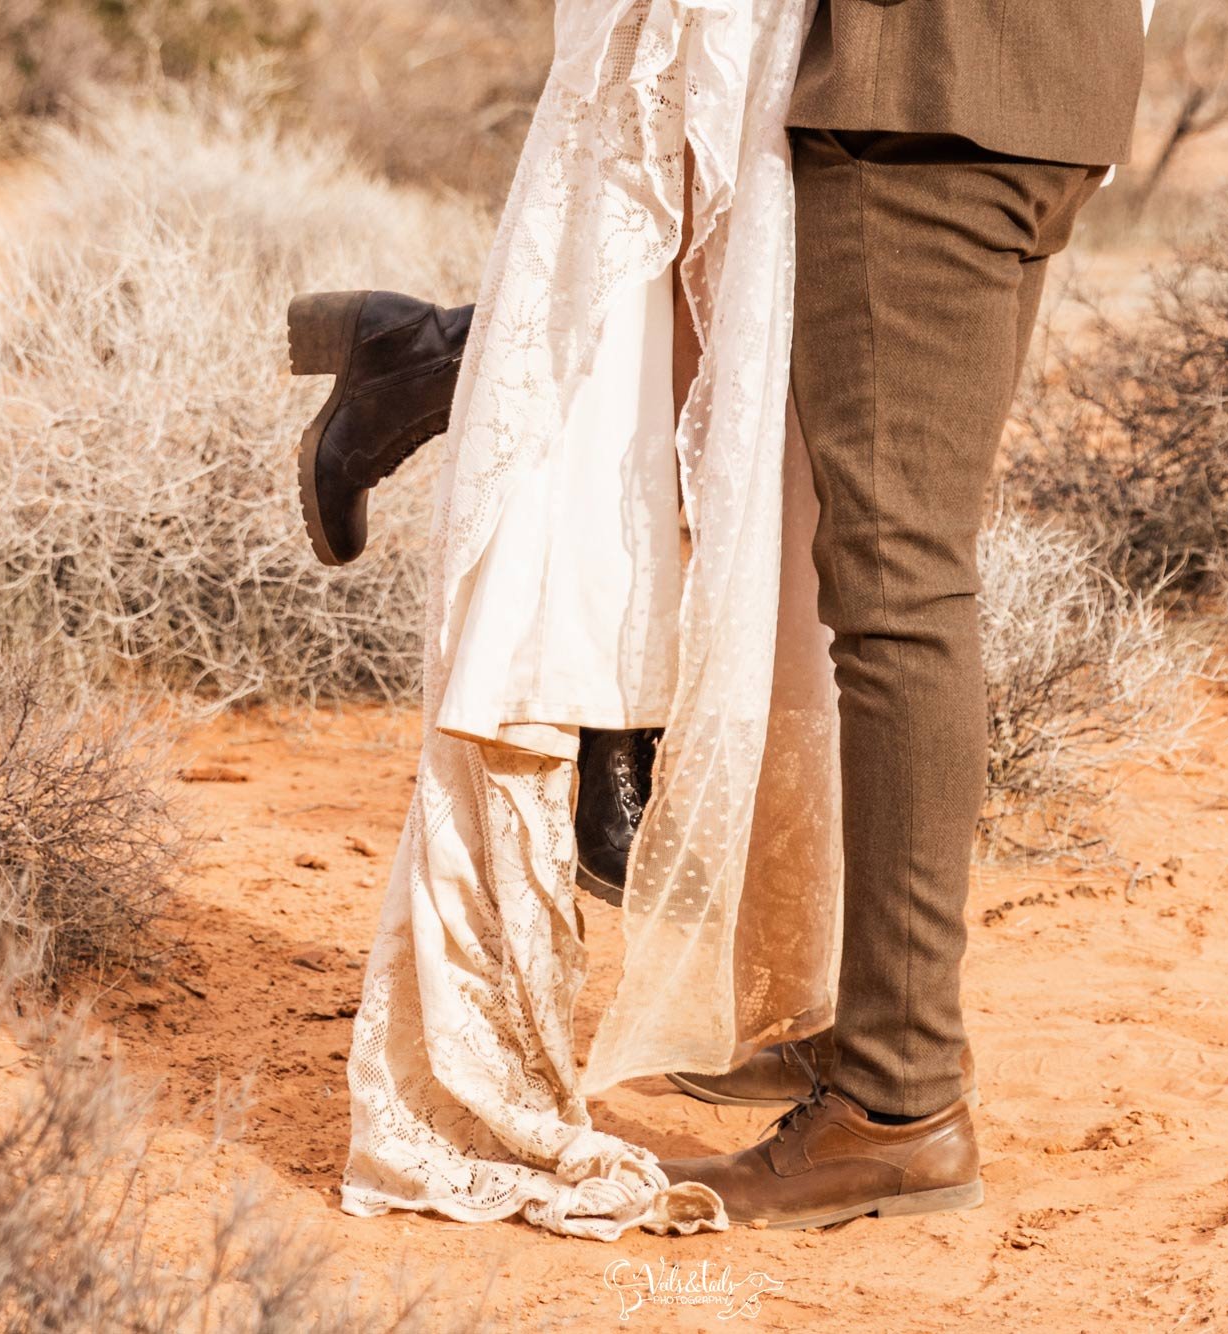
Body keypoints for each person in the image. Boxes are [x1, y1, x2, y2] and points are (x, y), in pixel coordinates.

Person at [292, 0, 1148, 1237]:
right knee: (772, 463)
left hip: (910, 82)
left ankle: (899, 1101)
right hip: (1039, 86)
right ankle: (873, 1034)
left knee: (891, 578)